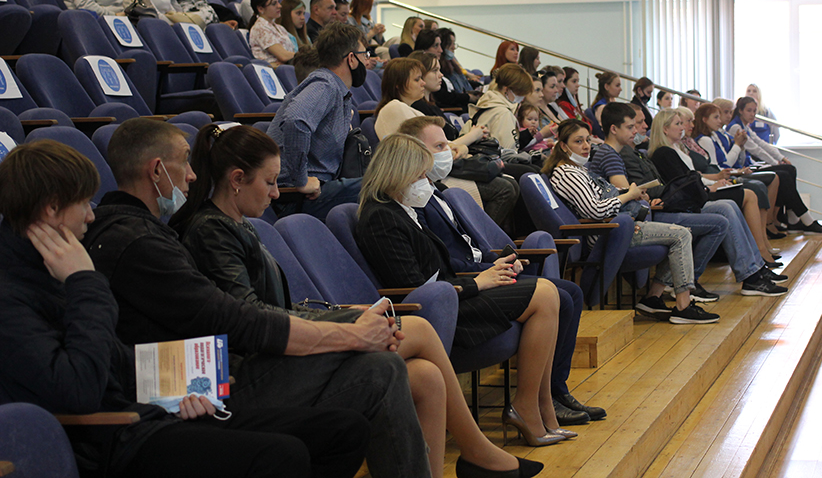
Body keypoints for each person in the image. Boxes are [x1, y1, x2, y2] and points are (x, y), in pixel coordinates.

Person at [173, 123, 542, 478]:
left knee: (426, 377)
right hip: (252, 372)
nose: (275, 194)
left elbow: (275, 308)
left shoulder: (236, 225)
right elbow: (252, 320)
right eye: (270, 182)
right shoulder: (212, 231)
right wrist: (347, 326)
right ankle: (477, 451)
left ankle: (457, 462)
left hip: (275, 356)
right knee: (415, 329)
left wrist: (348, 313)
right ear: (237, 179)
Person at [82, 118, 432, 477]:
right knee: (383, 362)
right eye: (184, 161)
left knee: (381, 369)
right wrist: (353, 333)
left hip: (200, 376)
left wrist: (350, 326)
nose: (192, 174)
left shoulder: (145, 233)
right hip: (201, 386)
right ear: (157, 170)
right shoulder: (143, 241)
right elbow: (239, 319)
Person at [0, 140, 371, 478]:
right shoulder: (19, 294)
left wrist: (176, 392)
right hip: (114, 441)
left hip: (152, 413)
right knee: (281, 455)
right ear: (52, 209)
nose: (90, 216)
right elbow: (78, 389)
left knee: (344, 431)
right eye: (82, 204)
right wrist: (86, 283)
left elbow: (115, 361)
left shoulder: (56, 272)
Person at [356, 133, 567, 451]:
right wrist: (477, 283)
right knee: (544, 294)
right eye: (419, 175)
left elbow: (438, 269)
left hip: (453, 295)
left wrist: (485, 273)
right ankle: (528, 406)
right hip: (435, 311)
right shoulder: (381, 217)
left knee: (548, 292)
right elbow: (416, 289)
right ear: (397, 173)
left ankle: (539, 403)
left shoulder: (403, 209)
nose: (426, 182)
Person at [397, 115, 605, 426]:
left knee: (570, 293)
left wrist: (499, 261)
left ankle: (556, 390)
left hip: (475, 273)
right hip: (461, 286)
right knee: (559, 295)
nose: (448, 151)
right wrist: (484, 272)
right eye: (439, 146)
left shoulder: (436, 190)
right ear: (414, 151)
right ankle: (541, 399)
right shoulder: (414, 200)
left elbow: (469, 243)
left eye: (446, 144)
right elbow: (442, 262)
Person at [595, 104, 787, 299]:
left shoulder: (635, 153)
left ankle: (753, 269)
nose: (639, 129)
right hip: (656, 210)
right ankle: (695, 281)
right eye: (632, 126)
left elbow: (646, 188)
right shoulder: (626, 154)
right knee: (724, 213)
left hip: (662, 204)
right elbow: (631, 192)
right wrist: (643, 195)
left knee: (729, 206)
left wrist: (643, 195)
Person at [542, 120, 718, 324]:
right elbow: (595, 209)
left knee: (680, 233)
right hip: (608, 233)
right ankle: (683, 307)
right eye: (578, 141)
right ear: (564, 146)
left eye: (588, 140)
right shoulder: (567, 174)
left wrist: (631, 192)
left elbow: (603, 195)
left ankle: (653, 298)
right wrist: (628, 196)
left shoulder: (578, 169)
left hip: (617, 227)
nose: (586, 146)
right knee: (681, 235)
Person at [379, 54, 517, 229]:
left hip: (439, 170)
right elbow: (421, 152)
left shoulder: (412, 109)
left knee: (510, 182)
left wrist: (458, 147)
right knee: (505, 188)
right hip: (427, 176)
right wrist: (459, 146)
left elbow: (439, 145)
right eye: (417, 79)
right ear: (398, 84)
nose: (422, 83)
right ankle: (482, 236)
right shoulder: (395, 108)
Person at [649, 108, 779, 264]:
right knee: (747, 195)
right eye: (678, 124)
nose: (683, 127)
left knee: (747, 194)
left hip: (701, 191)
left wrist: (715, 182)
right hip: (696, 198)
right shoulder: (664, 153)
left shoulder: (677, 147)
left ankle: (757, 254)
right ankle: (758, 254)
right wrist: (710, 187)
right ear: (665, 129)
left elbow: (694, 177)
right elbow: (683, 184)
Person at [268, 22, 368, 220]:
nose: (367, 60)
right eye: (365, 54)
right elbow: (295, 120)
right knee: (386, 185)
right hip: (295, 197)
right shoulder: (325, 85)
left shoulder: (334, 88)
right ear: (351, 59)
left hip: (320, 187)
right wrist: (301, 180)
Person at [727, 97, 822, 234]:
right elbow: (756, 150)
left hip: (750, 165)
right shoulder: (735, 128)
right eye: (749, 110)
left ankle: (793, 219)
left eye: (754, 111)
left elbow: (762, 144)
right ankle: (804, 220)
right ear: (740, 110)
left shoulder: (745, 126)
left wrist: (781, 158)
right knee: (784, 173)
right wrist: (776, 163)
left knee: (789, 169)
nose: (752, 114)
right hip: (742, 169)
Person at [692, 102, 786, 239]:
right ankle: (764, 232)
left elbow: (733, 160)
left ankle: (768, 227)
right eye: (716, 117)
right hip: (722, 176)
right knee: (759, 186)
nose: (721, 120)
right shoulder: (705, 139)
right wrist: (737, 146)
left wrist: (740, 149)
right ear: (704, 120)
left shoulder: (716, 135)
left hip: (728, 172)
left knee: (778, 175)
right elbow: (721, 165)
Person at [464, 63, 534, 151]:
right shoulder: (503, 113)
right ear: (507, 89)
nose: (522, 98)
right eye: (520, 93)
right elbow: (508, 150)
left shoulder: (487, 102)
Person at [248, 0, 295, 67]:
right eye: (274, 4)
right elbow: (284, 56)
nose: (279, 6)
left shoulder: (280, 28)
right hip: (274, 70)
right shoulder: (260, 28)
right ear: (260, 8)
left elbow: (288, 55)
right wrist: (303, 56)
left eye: (278, 2)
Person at [556, 67, 594, 131]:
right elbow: (576, 128)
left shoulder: (574, 105)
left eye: (578, 81)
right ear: (564, 83)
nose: (578, 85)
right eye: (574, 81)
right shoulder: (563, 105)